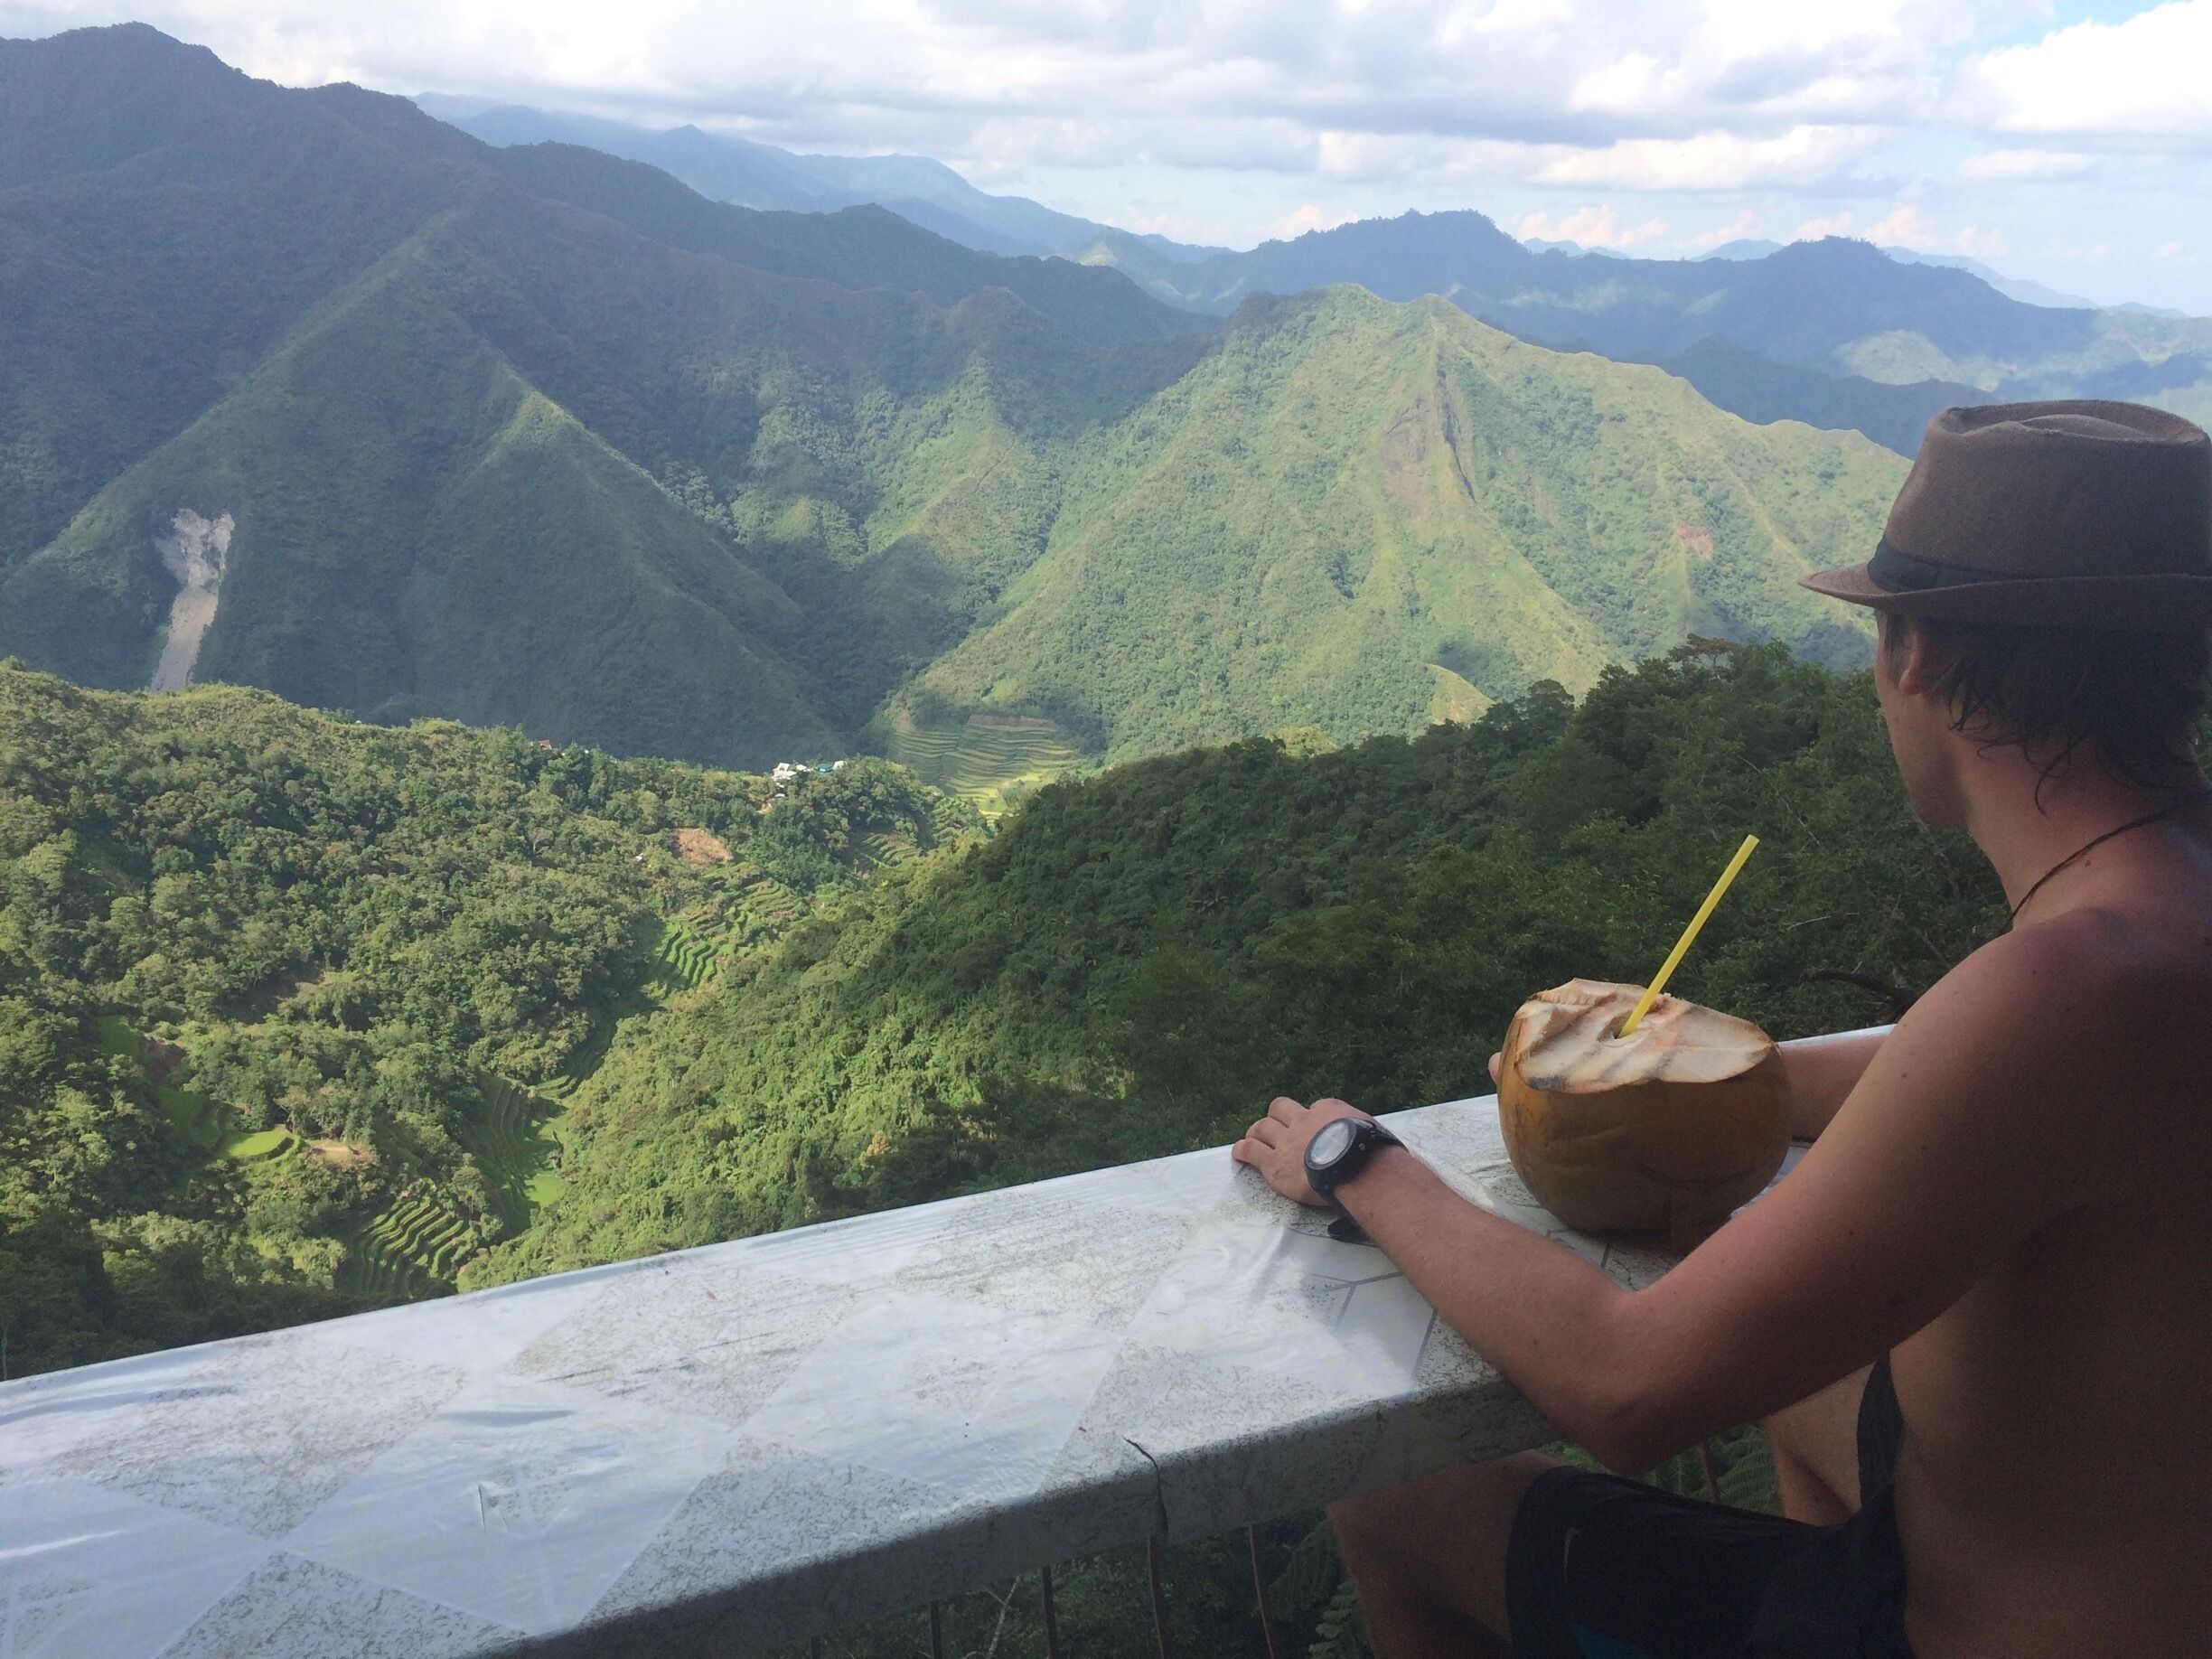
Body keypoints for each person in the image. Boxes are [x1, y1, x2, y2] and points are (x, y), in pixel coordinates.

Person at [1231, 401, 2212, 1658]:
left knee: (1395, 1502)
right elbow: (1950, 1078)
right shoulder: (2150, 928)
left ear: (1914, 657)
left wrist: (1361, 1164)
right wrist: (1676, 1074)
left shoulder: (2069, 991)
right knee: (1807, 1380)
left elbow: (1625, 1386)